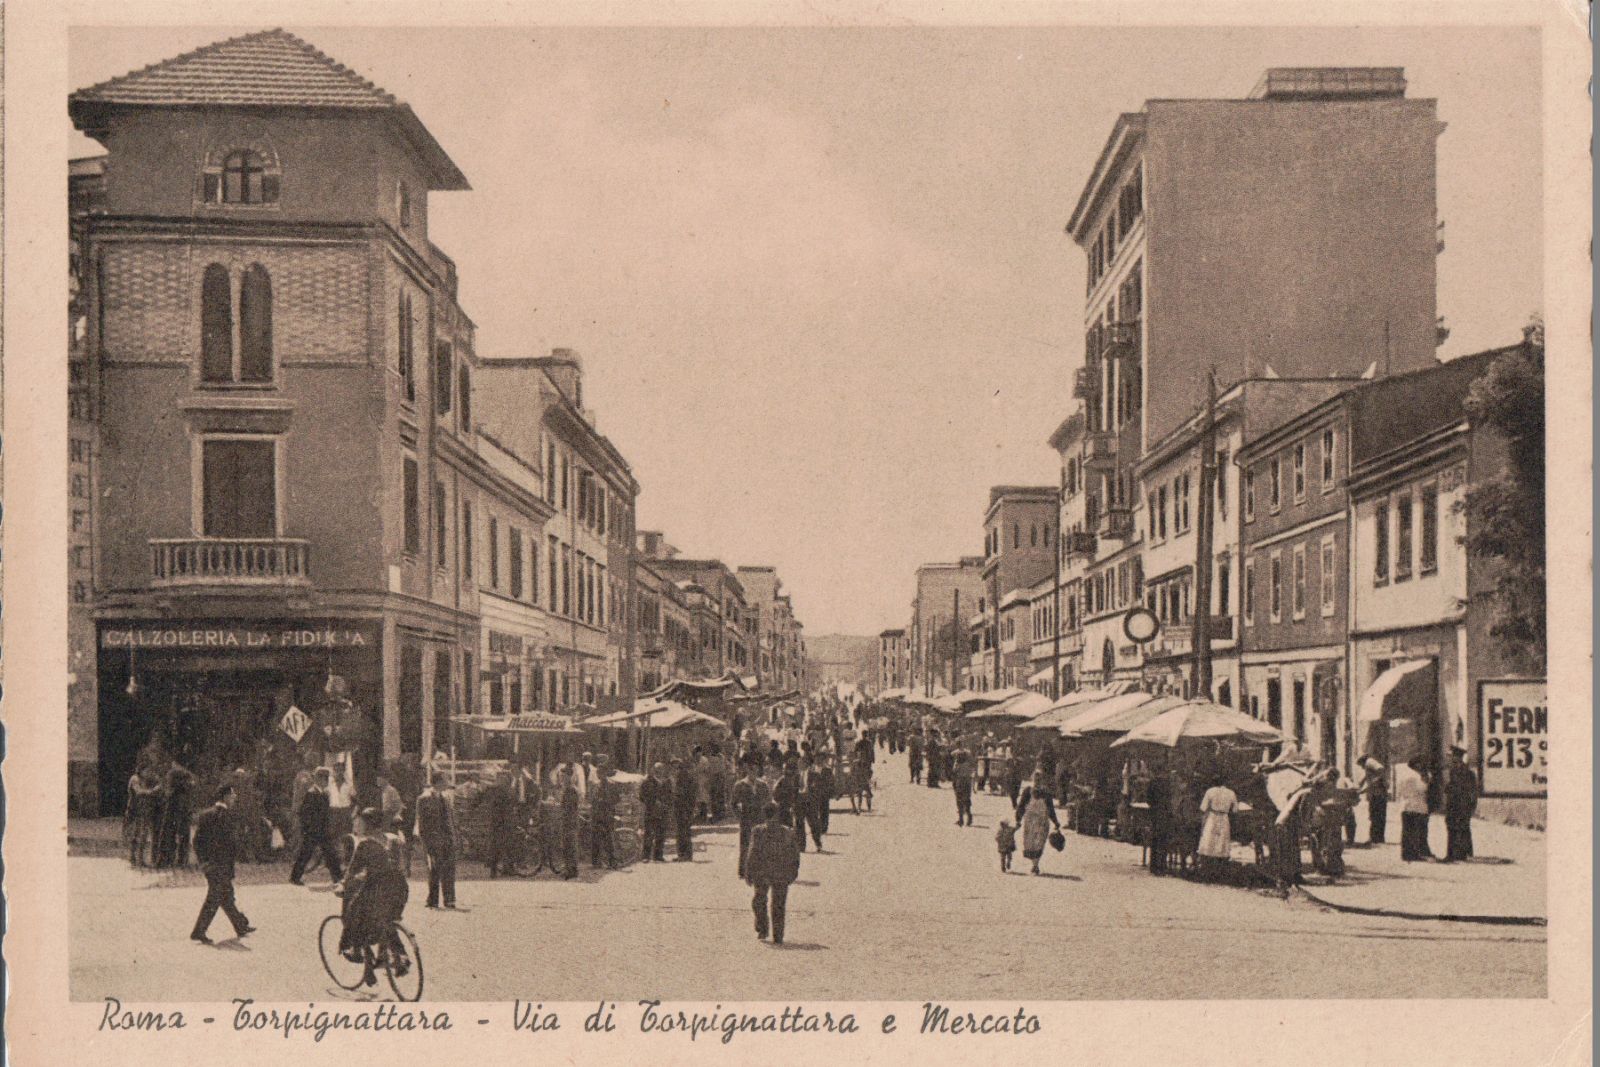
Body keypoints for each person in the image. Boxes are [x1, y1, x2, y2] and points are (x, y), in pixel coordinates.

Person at [338, 808, 410, 988]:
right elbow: (399, 866)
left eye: (358, 822)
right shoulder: (393, 839)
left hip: (378, 888)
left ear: (366, 824)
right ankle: (399, 956)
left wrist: (342, 885)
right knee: (386, 919)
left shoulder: (364, 844)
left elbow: (352, 870)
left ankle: (356, 951)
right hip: (400, 889)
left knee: (354, 912)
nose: (356, 825)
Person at [189, 784, 255, 944]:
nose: (235, 798)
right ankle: (198, 931)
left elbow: (197, 841)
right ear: (225, 797)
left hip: (212, 864)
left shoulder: (206, 814)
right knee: (215, 897)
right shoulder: (227, 815)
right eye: (232, 795)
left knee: (225, 896)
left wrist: (203, 861)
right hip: (219, 865)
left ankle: (240, 925)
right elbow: (231, 843)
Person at [745, 803, 801, 945]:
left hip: (763, 873)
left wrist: (748, 872)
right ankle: (777, 934)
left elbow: (752, 853)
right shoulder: (787, 832)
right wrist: (792, 873)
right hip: (777, 873)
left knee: (760, 901)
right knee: (777, 904)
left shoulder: (758, 831)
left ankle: (764, 929)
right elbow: (795, 856)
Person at [290, 767, 345, 885]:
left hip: (322, 830)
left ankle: (338, 878)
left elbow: (325, 814)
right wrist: (307, 829)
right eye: (325, 779)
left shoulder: (323, 794)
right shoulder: (312, 794)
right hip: (313, 830)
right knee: (306, 854)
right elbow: (304, 813)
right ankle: (295, 877)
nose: (326, 782)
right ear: (320, 780)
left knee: (330, 854)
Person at [413, 779, 456, 908]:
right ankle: (433, 899)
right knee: (434, 869)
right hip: (432, 839)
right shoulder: (424, 799)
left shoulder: (445, 797)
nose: (447, 784)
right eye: (445, 780)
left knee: (449, 868)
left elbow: (449, 819)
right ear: (438, 783)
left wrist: (453, 836)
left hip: (446, 838)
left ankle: (449, 899)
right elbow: (421, 823)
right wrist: (426, 842)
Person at [731, 760, 772, 879]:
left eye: (755, 770)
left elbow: (768, 801)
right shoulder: (740, 785)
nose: (753, 773)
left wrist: (767, 816)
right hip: (746, 819)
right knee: (745, 845)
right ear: (747, 771)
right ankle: (743, 870)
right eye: (751, 770)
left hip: (760, 818)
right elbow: (733, 803)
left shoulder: (762, 785)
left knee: (761, 844)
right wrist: (740, 816)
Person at [1014, 771, 1060, 875]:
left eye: (1039, 779)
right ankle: (1034, 864)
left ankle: (1035, 865)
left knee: (1039, 843)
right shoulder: (1027, 791)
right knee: (1030, 843)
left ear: (1042, 780)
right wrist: (1018, 819)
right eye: (1036, 779)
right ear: (1032, 780)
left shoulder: (1046, 793)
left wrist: (1056, 822)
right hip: (1029, 822)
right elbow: (1021, 806)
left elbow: (1051, 809)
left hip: (1042, 822)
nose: (1037, 781)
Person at [157, 760, 197, 869]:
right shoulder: (187, 777)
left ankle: (166, 859)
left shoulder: (172, 774)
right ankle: (180, 860)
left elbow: (168, 792)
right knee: (181, 834)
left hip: (174, 808)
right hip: (181, 808)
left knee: (169, 833)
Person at [1197, 775, 1239, 875]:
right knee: (1222, 842)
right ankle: (1220, 870)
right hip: (1224, 817)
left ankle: (1207, 869)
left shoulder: (1210, 791)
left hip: (1212, 817)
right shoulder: (1231, 793)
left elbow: (1203, 808)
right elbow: (1235, 810)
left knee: (1209, 841)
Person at [1443, 746, 1478, 862]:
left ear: (1457, 757)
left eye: (1452, 756)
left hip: (1461, 804)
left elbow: (1471, 790)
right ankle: (1457, 853)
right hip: (1455, 804)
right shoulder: (1454, 770)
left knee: (1460, 827)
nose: (1450, 759)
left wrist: (1472, 805)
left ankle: (1458, 854)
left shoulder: (1464, 772)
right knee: (1455, 827)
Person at [1396, 756, 1434, 862]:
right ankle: (1414, 853)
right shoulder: (1417, 776)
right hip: (1418, 806)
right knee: (1416, 831)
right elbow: (1423, 789)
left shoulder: (1404, 774)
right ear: (1417, 765)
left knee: (1406, 832)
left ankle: (1406, 854)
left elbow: (1399, 791)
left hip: (1406, 805)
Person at [487, 773, 521, 878]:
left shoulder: (492, 790)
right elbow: (515, 801)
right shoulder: (508, 792)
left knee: (495, 846)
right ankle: (508, 868)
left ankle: (493, 871)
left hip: (495, 822)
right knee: (508, 846)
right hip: (506, 823)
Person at [639, 763, 671, 862]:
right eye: (657, 769)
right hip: (650, 811)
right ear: (653, 770)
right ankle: (646, 856)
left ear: (663, 770)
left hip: (662, 811)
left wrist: (665, 804)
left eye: (661, 769)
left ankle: (658, 856)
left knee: (661, 834)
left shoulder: (667, 782)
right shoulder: (647, 781)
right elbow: (641, 796)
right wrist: (652, 802)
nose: (659, 771)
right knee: (648, 834)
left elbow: (670, 796)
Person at [1146, 766, 1173, 876]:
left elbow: (1148, 799)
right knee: (1164, 840)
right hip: (1166, 813)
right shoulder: (1168, 784)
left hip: (1155, 813)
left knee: (1155, 839)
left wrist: (1153, 806)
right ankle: (1162, 866)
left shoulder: (1153, 783)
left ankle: (1154, 866)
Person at [589, 766, 617, 869]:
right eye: (597, 773)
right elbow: (593, 799)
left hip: (607, 816)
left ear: (605, 773)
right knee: (595, 839)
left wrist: (604, 802)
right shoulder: (596, 785)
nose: (598, 775)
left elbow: (615, 799)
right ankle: (596, 862)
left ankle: (612, 862)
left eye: (600, 773)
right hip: (596, 815)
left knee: (608, 840)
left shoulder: (611, 785)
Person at [1359, 756, 1390, 845]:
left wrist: (1372, 783)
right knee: (1375, 816)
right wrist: (1362, 782)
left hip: (1378, 794)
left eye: (1361, 765)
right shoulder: (1369, 766)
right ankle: (1377, 837)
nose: (1361, 767)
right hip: (1376, 794)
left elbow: (1381, 769)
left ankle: (1376, 838)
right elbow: (1368, 775)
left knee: (1377, 816)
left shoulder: (1369, 762)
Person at [672, 758, 697, 861]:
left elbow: (681, 793)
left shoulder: (682, 777)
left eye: (675, 767)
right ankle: (685, 854)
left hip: (683, 808)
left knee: (682, 831)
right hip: (686, 808)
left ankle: (683, 854)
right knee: (684, 831)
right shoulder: (687, 777)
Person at [559, 767, 581, 879]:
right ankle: (569, 868)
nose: (561, 779)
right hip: (568, 821)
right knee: (567, 846)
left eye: (563, 777)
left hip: (570, 821)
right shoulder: (568, 789)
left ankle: (572, 870)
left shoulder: (571, 790)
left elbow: (569, 807)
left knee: (570, 846)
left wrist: (561, 810)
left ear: (569, 777)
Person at [802, 757, 828, 851]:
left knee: (813, 823)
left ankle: (818, 843)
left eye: (803, 762)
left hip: (811, 802)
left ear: (808, 764)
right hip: (801, 802)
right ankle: (801, 846)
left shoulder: (815, 775)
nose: (800, 764)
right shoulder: (799, 774)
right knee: (799, 824)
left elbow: (818, 788)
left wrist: (813, 795)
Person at [952, 746, 974, 826]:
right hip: (967, 783)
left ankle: (961, 819)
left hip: (960, 782)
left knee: (959, 801)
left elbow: (954, 772)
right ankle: (969, 818)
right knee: (967, 800)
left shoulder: (957, 764)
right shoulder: (968, 765)